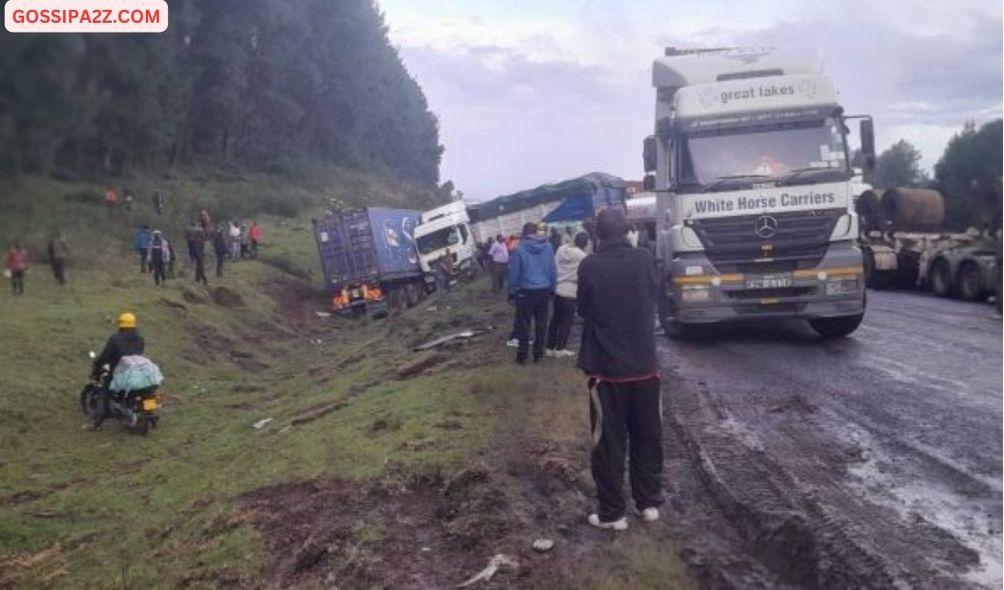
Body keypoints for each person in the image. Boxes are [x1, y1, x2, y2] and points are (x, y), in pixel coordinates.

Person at [577, 208, 662, 531]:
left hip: (607, 371)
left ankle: (613, 514)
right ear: (627, 231)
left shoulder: (590, 266)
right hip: (645, 368)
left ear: (597, 235)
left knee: (609, 443)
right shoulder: (643, 259)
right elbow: (652, 293)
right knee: (648, 436)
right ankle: (649, 502)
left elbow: (583, 308)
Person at [508, 222, 557, 364]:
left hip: (525, 292)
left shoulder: (519, 248)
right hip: (544, 290)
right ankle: (538, 355)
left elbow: (514, 273)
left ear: (524, 233)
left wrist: (511, 292)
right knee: (541, 324)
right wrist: (553, 288)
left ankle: (522, 356)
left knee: (524, 324)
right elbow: (552, 269)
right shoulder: (548, 246)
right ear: (536, 232)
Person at [90, 312, 145, 429]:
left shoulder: (115, 338)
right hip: (137, 371)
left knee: (104, 393)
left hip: (119, 372)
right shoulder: (140, 339)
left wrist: (98, 364)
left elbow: (105, 355)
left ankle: (97, 424)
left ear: (121, 325)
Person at [545, 232, 589, 358]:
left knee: (555, 320)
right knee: (566, 322)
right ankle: (560, 349)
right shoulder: (583, 257)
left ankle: (549, 347)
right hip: (571, 291)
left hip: (558, 289)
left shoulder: (560, 250)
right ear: (585, 244)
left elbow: (554, 265)